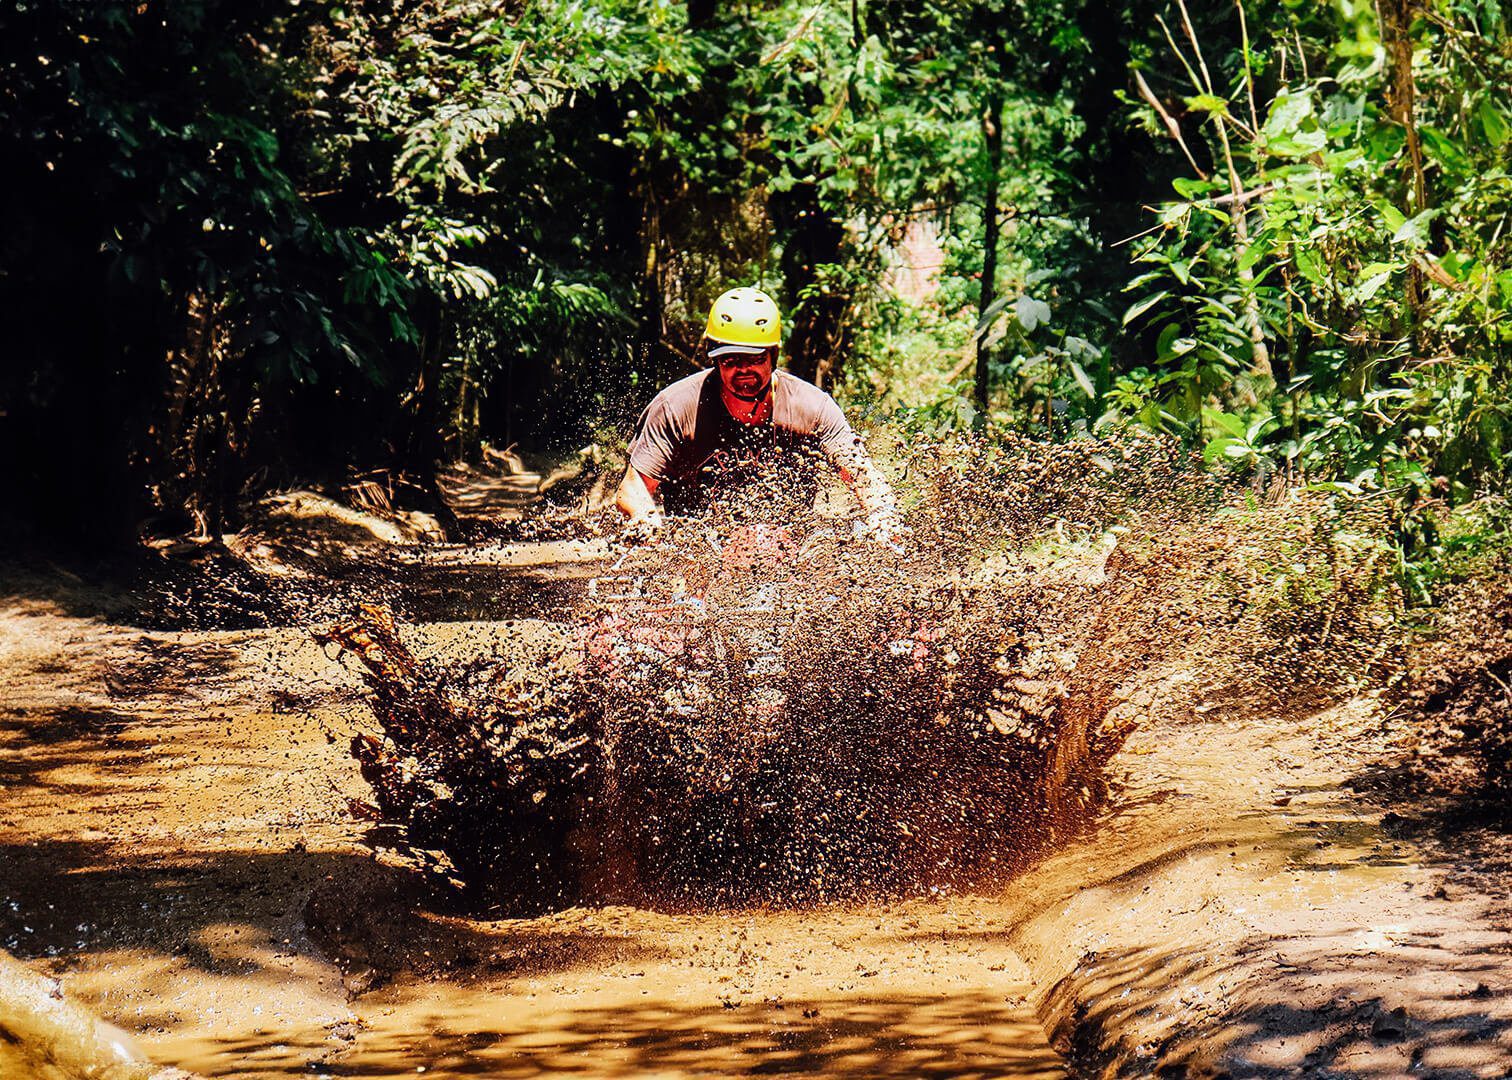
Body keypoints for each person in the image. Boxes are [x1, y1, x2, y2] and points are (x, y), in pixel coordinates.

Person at [616, 287, 901, 544]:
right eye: (731, 361)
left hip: (788, 548)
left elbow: (863, 476)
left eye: (755, 359)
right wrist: (648, 525)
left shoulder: (812, 408)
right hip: (702, 550)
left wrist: (884, 518)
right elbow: (634, 487)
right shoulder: (676, 408)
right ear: (714, 359)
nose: (743, 371)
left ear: (773, 356)